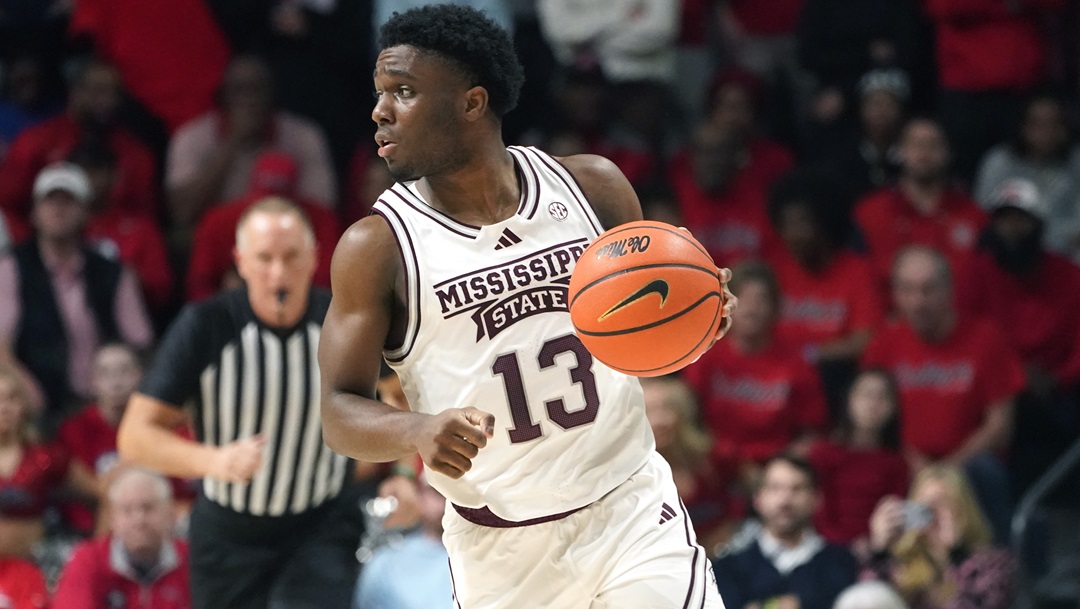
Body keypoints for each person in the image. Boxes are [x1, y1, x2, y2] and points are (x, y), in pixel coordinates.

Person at [318, 6, 735, 608]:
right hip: (503, 550)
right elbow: (337, 411)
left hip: (632, 509)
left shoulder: (592, 187)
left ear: (471, 102)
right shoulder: (378, 247)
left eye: (403, 92)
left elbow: (651, 330)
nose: (381, 111)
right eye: (381, 93)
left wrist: (697, 318)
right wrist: (417, 429)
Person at [117, 198, 358, 609]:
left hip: (321, 526)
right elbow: (134, 437)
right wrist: (213, 461)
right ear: (240, 262)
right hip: (228, 533)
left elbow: (402, 399)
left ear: (315, 257)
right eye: (264, 258)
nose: (278, 273)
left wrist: (406, 470)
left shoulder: (343, 321)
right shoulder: (205, 325)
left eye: (291, 256)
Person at [862, 246, 1025, 543]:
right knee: (869, 466)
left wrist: (947, 470)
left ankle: (995, 567)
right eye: (907, 290)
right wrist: (919, 467)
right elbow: (873, 421)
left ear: (949, 291)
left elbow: (1000, 425)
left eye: (928, 290)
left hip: (971, 466)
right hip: (905, 463)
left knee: (985, 471)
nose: (917, 302)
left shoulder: (986, 337)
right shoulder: (883, 344)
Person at [0, 162, 153, 431]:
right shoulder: (12, 268)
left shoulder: (113, 272)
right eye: (50, 200)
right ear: (35, 213)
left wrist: (120, 387)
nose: (58, 208)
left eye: (68, 200)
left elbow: (139, 346)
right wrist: (29, 393)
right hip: (37, 410)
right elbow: (1, 348)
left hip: (104, 408)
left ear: (86, 212)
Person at [683, 262, 828, 492]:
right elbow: (689, 421)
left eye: (761, 300)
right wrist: (731, 462)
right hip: (713, 467)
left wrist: (778, 471)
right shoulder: (706, 354)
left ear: (775, 308)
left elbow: (811, 434)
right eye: (742, 298)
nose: (751, 308)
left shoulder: (796, 363)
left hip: (774, 472)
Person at [166, 55, 337, 228]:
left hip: (285, 233)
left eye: (256, 89)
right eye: (239, 90)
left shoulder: (304, 135)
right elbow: (183, 213)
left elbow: (322, 209)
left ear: (272, 93)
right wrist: (233, 141)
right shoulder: (191, 137)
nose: (249, 99)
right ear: (223, 95)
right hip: (219, 238)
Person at [0, 58, 158, 220]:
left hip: (118, 241)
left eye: (114, 92)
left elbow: (142, 219)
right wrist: (33, 243)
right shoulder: (34, 142)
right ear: (75, 92)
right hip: (45, 238)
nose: (107, 101)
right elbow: (6, 204)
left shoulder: (136, 154)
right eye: (98, 91)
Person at [853, 118, 987, 300]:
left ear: (948, 152)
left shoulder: (974, 216)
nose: (924, 153)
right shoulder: (869, 212)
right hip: (887, 324)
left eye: (933, 145)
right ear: (900, 151)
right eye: (916, 144)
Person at [712, 455, 858, 609]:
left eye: (797, 489)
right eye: (775, 488)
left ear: (816, 499)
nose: (785, 500)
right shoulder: (728, 568)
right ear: (758, 498)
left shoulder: (840, 561)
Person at [863, 465, 1015, 609]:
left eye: (942, 503)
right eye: (926, 505)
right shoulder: (904, 563)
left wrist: (958, 554)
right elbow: (869, 599)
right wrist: (879, 550)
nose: (933, 514)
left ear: (964, 510)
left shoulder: (996, 563)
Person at [52, 467, 190, 609]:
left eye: (148, 508)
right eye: (127, 510)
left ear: (171, 514)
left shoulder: (192, 560)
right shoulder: (87, 560)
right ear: (112, 519)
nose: (139, 520)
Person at [809, 369, 910, 547]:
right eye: (866, 395)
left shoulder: (897, 463)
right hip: (825, 547)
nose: (873, 403)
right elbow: (817, 513)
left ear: (893, 407)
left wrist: (873, 543)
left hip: (878, 547)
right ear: (849, 400)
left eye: (883, 396)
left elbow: (893, 516)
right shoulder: (822, 454)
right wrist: (843, 545)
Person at [353, 473, 452, 609]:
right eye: (438, 493)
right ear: (420, 494)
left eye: (457, 496)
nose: (448, 504)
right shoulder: (386, 563)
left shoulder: (485, 556)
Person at [0, 364, 69, 559]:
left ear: (23, 405)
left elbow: (102, 492)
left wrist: (95, 553)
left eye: (11, 399)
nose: (4, 407)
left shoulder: (47, 455)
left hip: (35, 565)